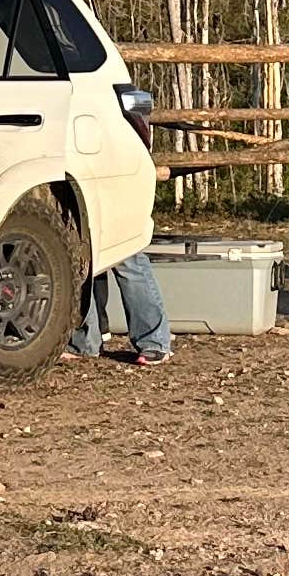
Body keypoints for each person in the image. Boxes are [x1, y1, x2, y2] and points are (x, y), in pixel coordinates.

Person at [70, 85, 175, 366]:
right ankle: (84, 339)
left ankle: (155, 339)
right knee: (78, 257)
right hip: (77, 173)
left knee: (127, 258)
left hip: (116, 170)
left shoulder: (113, 89)